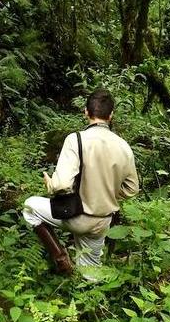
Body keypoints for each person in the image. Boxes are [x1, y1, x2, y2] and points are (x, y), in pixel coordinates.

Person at [22, 88, 139, 281]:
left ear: (86, 112)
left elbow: (62, 185)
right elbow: (132, 189)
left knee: (29, 207)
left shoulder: (75, 139)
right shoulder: (123, 146)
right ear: (111, 115)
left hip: (75, 215)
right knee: (91, 273)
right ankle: (94, 302)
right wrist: (107, 191)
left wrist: (50, 184)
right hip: (103, 220)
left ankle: (61, 259)